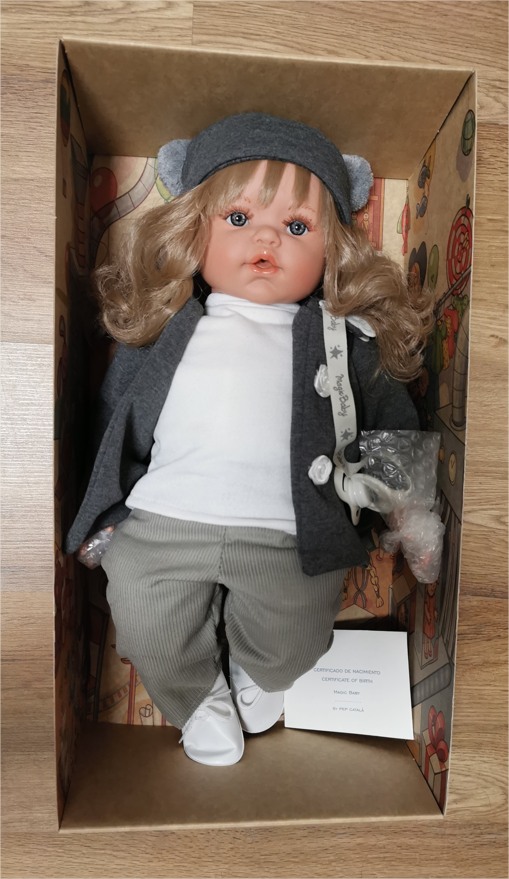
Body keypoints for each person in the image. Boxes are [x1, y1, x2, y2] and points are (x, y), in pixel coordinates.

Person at [66, 113, 432, 766]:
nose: (266, 238)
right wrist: (104, 510)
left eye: (297, 227)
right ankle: (195, 698)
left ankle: (259, 674)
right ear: (193, 231)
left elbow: (389, 416)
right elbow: (115, 414)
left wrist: (410, 513)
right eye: (238, 218)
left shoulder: (344, 339)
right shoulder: (168, 326)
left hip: (289, 531)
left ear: (332, 251)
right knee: (144, 622)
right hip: (163, 519)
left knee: (297, 635)